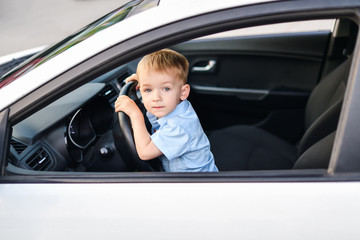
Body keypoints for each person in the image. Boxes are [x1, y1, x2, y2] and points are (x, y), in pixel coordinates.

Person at [115, 49, 218, 172]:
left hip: (197, 186)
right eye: (148, 90)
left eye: (166, 89)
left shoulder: (178, 127)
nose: (156, 98)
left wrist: (135, 115)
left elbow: (145, 152)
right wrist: (143, 80)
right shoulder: (170, 106)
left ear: (183, 92)